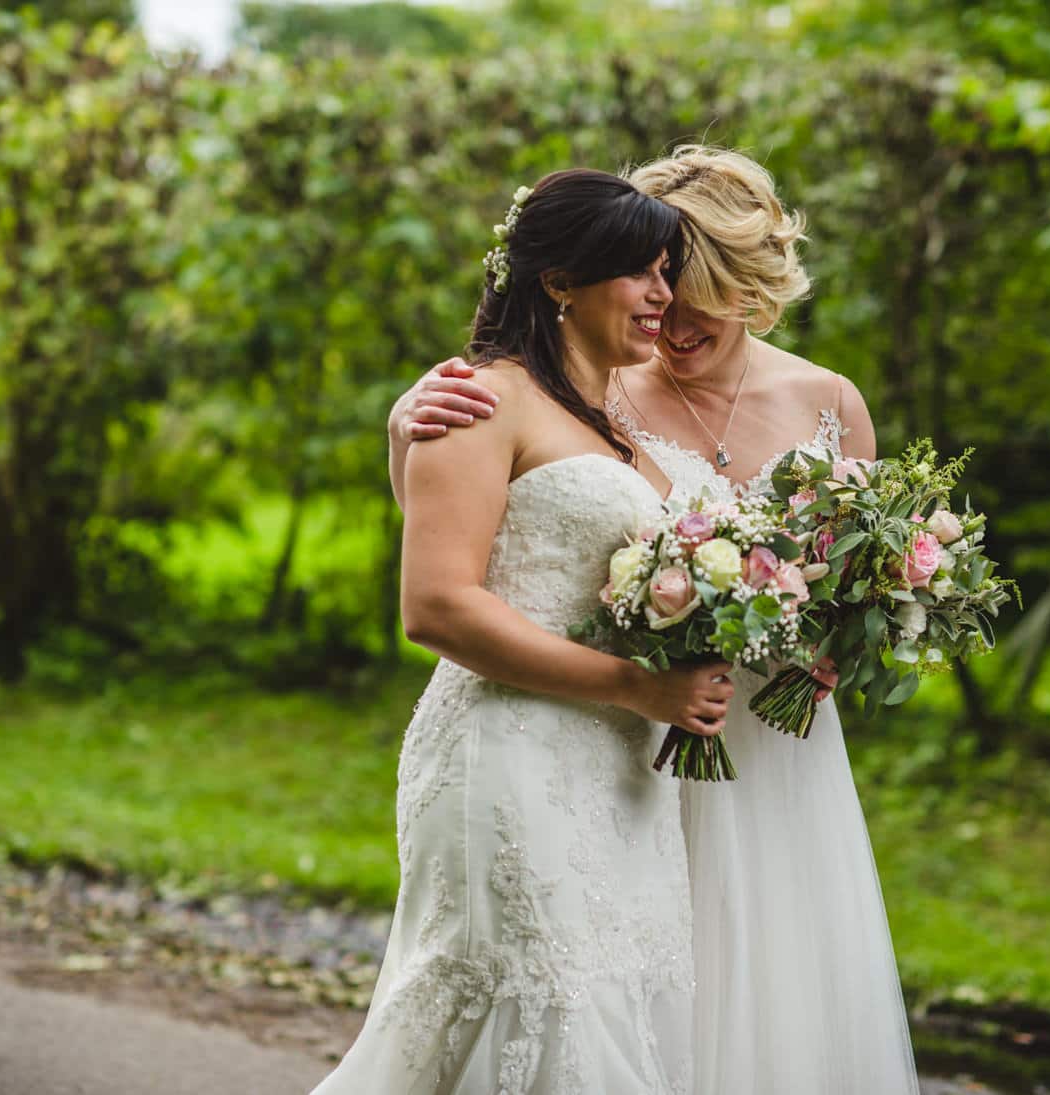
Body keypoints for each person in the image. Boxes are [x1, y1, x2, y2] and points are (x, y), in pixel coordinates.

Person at [388, 147, 920, 1093]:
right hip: (619, 741)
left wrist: (842, 643)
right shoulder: (586, 376)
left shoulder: (828, 402)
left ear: (756, 286)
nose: (670, 318)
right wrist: (407, 431)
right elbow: (497, 554)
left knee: (769, 997)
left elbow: (860, 586)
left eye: (692, 290)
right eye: (658, 286)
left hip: (770, 753)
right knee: (590, 1008)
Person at [313, 168, 735, 1094]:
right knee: (541, 1019)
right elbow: (439, 604)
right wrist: (638, 686)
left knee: (608, 1017)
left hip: (619, 777)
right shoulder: (480, 398)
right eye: (641, 271)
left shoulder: (618, 422)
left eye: (668, 270)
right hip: (509, 758)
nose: (665, 296)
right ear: (558, 282)